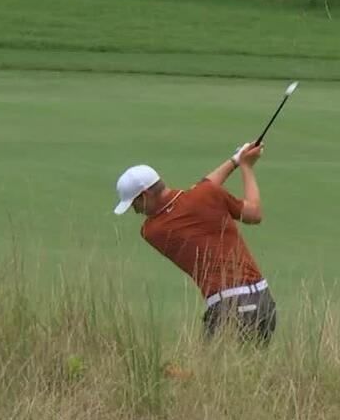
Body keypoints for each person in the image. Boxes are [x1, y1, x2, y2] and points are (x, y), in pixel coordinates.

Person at [112, 141, 274, 343]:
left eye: (134, 203)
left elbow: (202, 188)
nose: (136, 211)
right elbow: (251, 212)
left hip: (230, 307)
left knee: (212, 373)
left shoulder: (152, 231)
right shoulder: (205, 195)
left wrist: (238, 161)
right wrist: (244, 166)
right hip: (264, 301)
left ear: (145, 195)